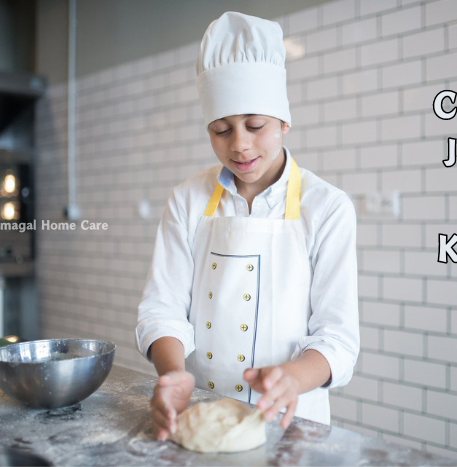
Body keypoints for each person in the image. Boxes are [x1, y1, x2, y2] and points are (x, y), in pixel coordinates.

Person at [134, 11, 359, 441]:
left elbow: (338, 338)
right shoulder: (187, 200)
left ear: (283, 123)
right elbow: (162, 308)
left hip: (293, 426)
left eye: (255, 125)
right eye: (221, 130)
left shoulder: (327, 207)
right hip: (200, 413)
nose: (239, 144)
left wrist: (294, 377)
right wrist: (173, 374)